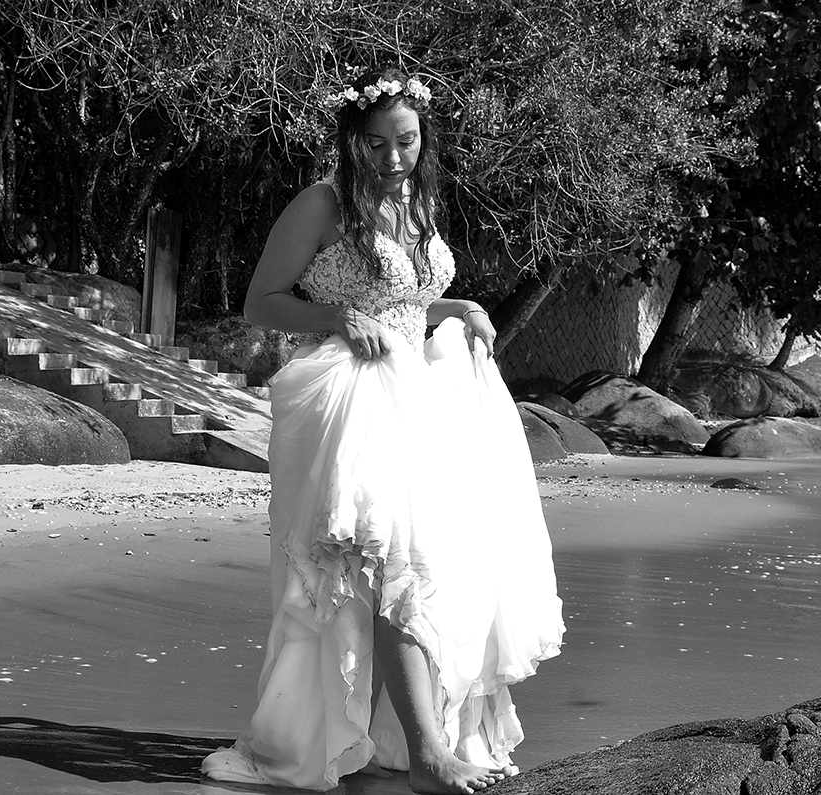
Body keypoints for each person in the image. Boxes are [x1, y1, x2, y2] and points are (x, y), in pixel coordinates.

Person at [201, 66, 564, 795]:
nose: (393, 157)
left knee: (420, 568)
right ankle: (427, 752)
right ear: (351, 139)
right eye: (376, 143)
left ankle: (366, 736)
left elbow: (406, 297)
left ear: (423, 137)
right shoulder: (322, 204)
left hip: (421, 396)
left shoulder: (418, 199)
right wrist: (338, 317)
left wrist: (455, 307)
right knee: (390, 561)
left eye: (405, 141)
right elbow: (261, 302)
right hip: (352, 400)